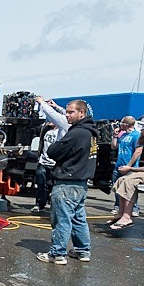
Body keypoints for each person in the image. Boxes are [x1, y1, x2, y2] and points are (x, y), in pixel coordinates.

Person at [36, 99, 98, 264]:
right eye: (67, 112)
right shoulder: (91, 132)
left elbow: (53, 151)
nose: (67, 115)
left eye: (71, 112)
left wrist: (58, 142)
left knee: (61, 219)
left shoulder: (77, 133)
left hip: (67, 182)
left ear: (81, 113)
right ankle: (83, 251)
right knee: (78, 218)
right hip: (81, 182)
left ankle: (57, 254)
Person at [31, 97, 71, 213]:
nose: (50, 121)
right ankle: (40, 204)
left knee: (53, 186)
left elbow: (64, 116)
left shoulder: (63, 129)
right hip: (43, 162)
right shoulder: (45, 130)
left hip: (55, 164)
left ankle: (54, 205)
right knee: (40, 184)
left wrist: (54, 107)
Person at [109, 116, 142, 216]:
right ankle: (118, 206)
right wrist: (115, 136)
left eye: (121, 124)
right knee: (117, 187)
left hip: (130, 167)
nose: (120, 125)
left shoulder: (136, 135)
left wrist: (129, 165)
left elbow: (138, 151)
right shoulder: (122, 135)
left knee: (130, 188)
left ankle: (134, 208)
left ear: (126, 124)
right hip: (119, 164)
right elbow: (114, 146)